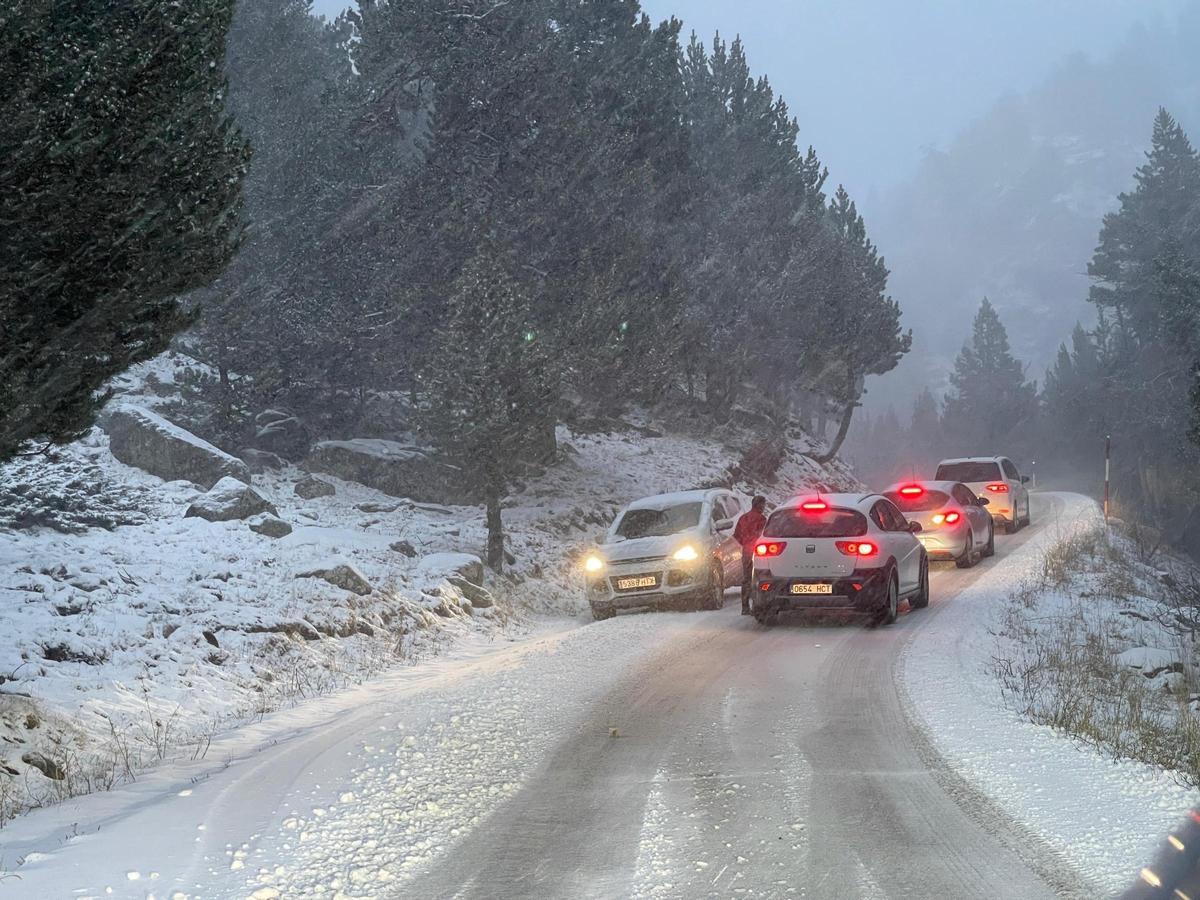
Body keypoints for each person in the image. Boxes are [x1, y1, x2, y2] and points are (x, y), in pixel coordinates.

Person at [733, 495, 768, 615]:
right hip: (759, 553)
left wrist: (745, 543)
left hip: (747, 552)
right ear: (759, 505)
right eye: (763, 504)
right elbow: (765, 536)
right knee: (757, 578)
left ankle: (745, 606)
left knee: (747, 579)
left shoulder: (743, 518)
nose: (764, 507)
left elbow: (736, 535)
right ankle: (756, 605)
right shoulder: (762, 519)